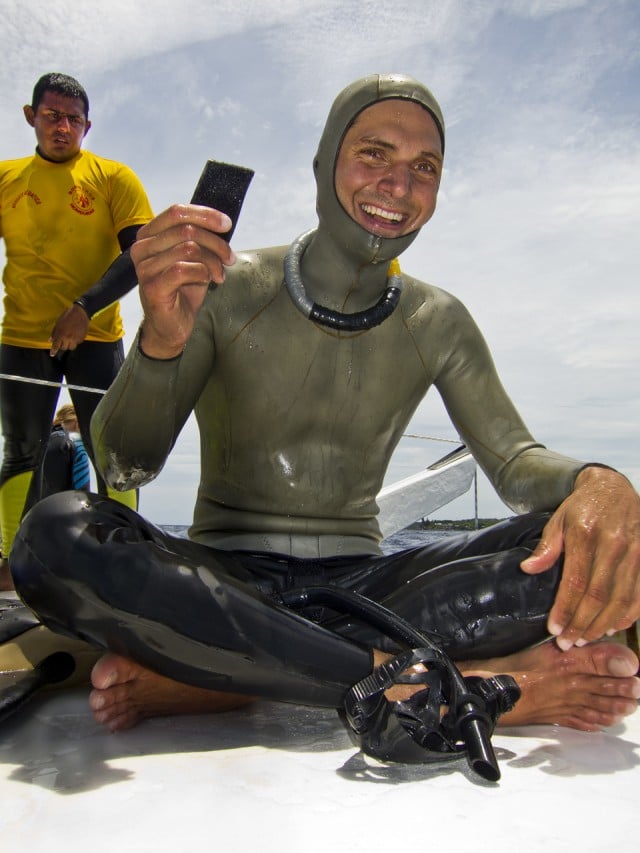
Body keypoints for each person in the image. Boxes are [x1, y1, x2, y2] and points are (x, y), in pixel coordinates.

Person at [10, 75, 640, 761]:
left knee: (590, 543)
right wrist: (160, 341)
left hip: (371, 587)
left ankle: (230, 679)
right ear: (323, 165)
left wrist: (601, 482)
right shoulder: (223, 286)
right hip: (224, 577)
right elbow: (128, 463)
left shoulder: (441, 320)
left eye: (423, 167)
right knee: (53, 533)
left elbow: (516, 463)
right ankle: (452, 687)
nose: (398, 184)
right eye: (373, 153)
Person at [0, 72, 153, 590]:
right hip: (22, 339)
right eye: (51, 116)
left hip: (96, 335)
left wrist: (84, 307)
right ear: (30, 116)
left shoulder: (113, 177)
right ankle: (7, 565)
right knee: (21, 450)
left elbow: (140, 252)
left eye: (73, 119)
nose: (62, 127)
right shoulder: (7, 178)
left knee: (113, 453)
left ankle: (128, 559)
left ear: (87, 126)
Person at [40, 404, 91, 497]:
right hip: (65, 508)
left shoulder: (41, 444)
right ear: (78, 424)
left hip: (36, 510)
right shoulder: (77, 443)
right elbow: (83, 494)